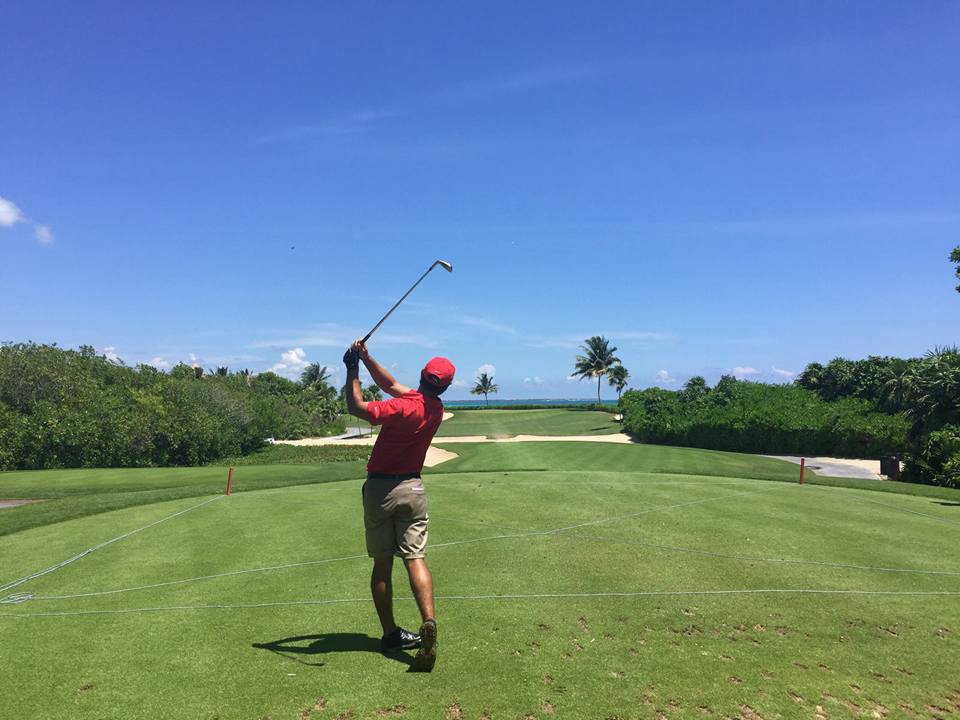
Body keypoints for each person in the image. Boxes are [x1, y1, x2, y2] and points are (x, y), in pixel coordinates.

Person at [343, 339, 455, 672]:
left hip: (380, 488)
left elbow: (357, 408)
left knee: (381, 564)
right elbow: (389, 384)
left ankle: (391, 634)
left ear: (422, 374)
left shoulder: (401, 407)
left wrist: (351, 369)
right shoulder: (434, 409)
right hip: (413, 488)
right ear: (445, 387)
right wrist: (365, 358)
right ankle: (428, 620)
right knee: (415, 558)